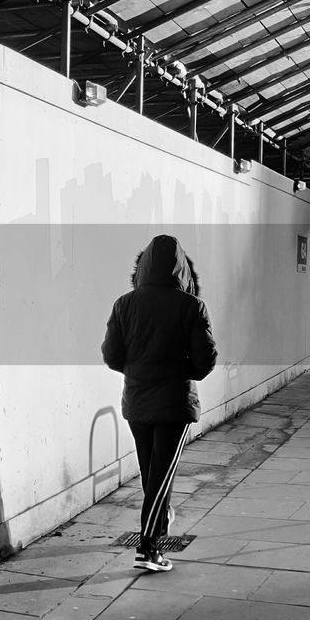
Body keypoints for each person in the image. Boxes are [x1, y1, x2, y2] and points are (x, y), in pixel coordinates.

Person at [101, 235, 217, 573]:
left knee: (153, 474)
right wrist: (180, 371)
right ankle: (148, 549)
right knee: (160, 477)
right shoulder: (190, 306)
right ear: (180, 268)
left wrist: (139, 371)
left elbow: (111, 354)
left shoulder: (124, 303)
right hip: (172, 402)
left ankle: (160, 523)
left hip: (136, 400)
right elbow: (204, 360)